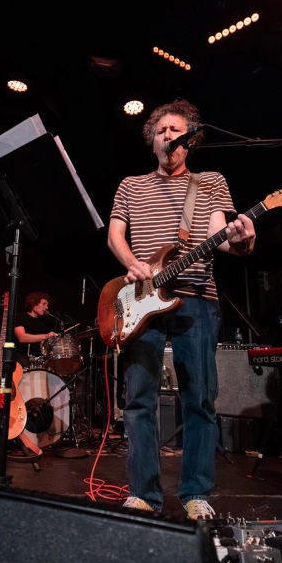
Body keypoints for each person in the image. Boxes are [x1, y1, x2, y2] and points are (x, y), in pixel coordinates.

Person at [107, 99, 256, 520]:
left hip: (197, 302)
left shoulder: (210, 182)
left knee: (200, 400)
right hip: (141, 304)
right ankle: (143, 493)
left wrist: (243, 239)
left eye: (177, 130)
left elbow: (221, 237)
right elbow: (115, 234)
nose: (168, 136)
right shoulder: (130, 185)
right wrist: (131, 263)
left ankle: (195, 493)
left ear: (191, 140)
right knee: (138, 399)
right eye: (161, 130)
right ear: (151, 140)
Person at [13, 291, 58, 369]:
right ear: (33, 303)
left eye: (47, 305)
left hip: (41, 361)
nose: (47, 307)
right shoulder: (20, 317)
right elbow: (22, 338)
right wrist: (46, 336)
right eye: (44, 304)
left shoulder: (44, 323)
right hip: (22, 358)